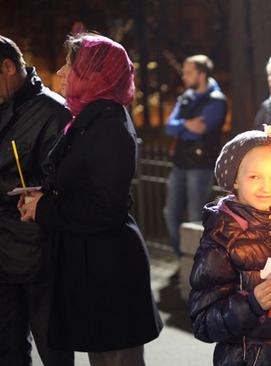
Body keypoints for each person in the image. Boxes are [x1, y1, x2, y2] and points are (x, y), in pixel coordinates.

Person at [18, 33, 163, 366]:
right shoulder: (89, 118)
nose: (63, 71)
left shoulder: (109, 125)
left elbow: (104, 207)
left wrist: (45, 208)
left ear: (95, 75)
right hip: (93, 266)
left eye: (73, 65)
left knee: (117, 358)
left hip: (110, 270)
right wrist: (43, 196)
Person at [189, 127, 271, 365]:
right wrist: (251, 304)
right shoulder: (222, 238)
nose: (266, 187)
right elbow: (203, 323)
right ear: (234, 179)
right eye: (254, 177)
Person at [0, 35, 73, 366]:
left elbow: (64, 182)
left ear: (8, 67)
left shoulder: (53, 111)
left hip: (37, 252)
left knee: (53, 348)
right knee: (8, 349)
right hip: (3, 252)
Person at [164, 54, 227, 258]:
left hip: (201, 166)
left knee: (195, 217)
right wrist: (185, 125)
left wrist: (181, 127)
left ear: (201, 74)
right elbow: (168, 127)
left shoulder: (217, 100)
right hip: (180, 163)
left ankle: (197, 262)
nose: (184, 76)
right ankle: (182, 256)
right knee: (170, 213)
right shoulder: (186, 96)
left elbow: (198, 131)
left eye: (188, 72)